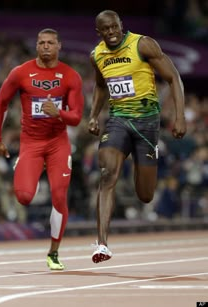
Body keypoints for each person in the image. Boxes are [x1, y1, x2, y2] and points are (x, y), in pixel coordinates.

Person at [88, 10, 186, 263]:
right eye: (105, 30)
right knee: (107, 173)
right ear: (98, 32)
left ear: (121, 25)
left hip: (147, 124)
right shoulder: (97, 54)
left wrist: (179, 117)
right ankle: (102, 244)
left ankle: (137, 162)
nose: (111, 33)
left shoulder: (143, 44)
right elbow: (101, 86)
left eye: (114, 27)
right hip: (118, 121)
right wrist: (93, 115)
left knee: (145, 195)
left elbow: (173, 77)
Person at [0, 28, 84, 270]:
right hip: (31, 143)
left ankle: (53, 252)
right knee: (23, 197)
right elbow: (1, 103)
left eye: (50, 43)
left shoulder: (71, 76)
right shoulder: (21, 72)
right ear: (36, 46)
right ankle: (24, 164)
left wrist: (59, 113)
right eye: (41, 42)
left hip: (57, 144)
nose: (45, 46)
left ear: (59, 46)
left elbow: (76, 117)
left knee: (59, 195)